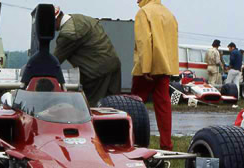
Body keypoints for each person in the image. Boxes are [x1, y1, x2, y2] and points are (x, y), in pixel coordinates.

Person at [131, 0, 179, 151]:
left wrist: (145, 67)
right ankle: (166, 145)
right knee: (163, 106)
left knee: (134, 105)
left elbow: (144, 41)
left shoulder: (143, 12)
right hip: (164, 68)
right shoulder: (169, 14)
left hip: (147, 68)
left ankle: (130, 142)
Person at [53, 7, 121, 107]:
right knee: (114, 107)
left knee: (92, 109)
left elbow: (54, 61)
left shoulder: (68, 34)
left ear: (55, 19)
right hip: (114, 65)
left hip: (96, 74)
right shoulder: (83, 19)